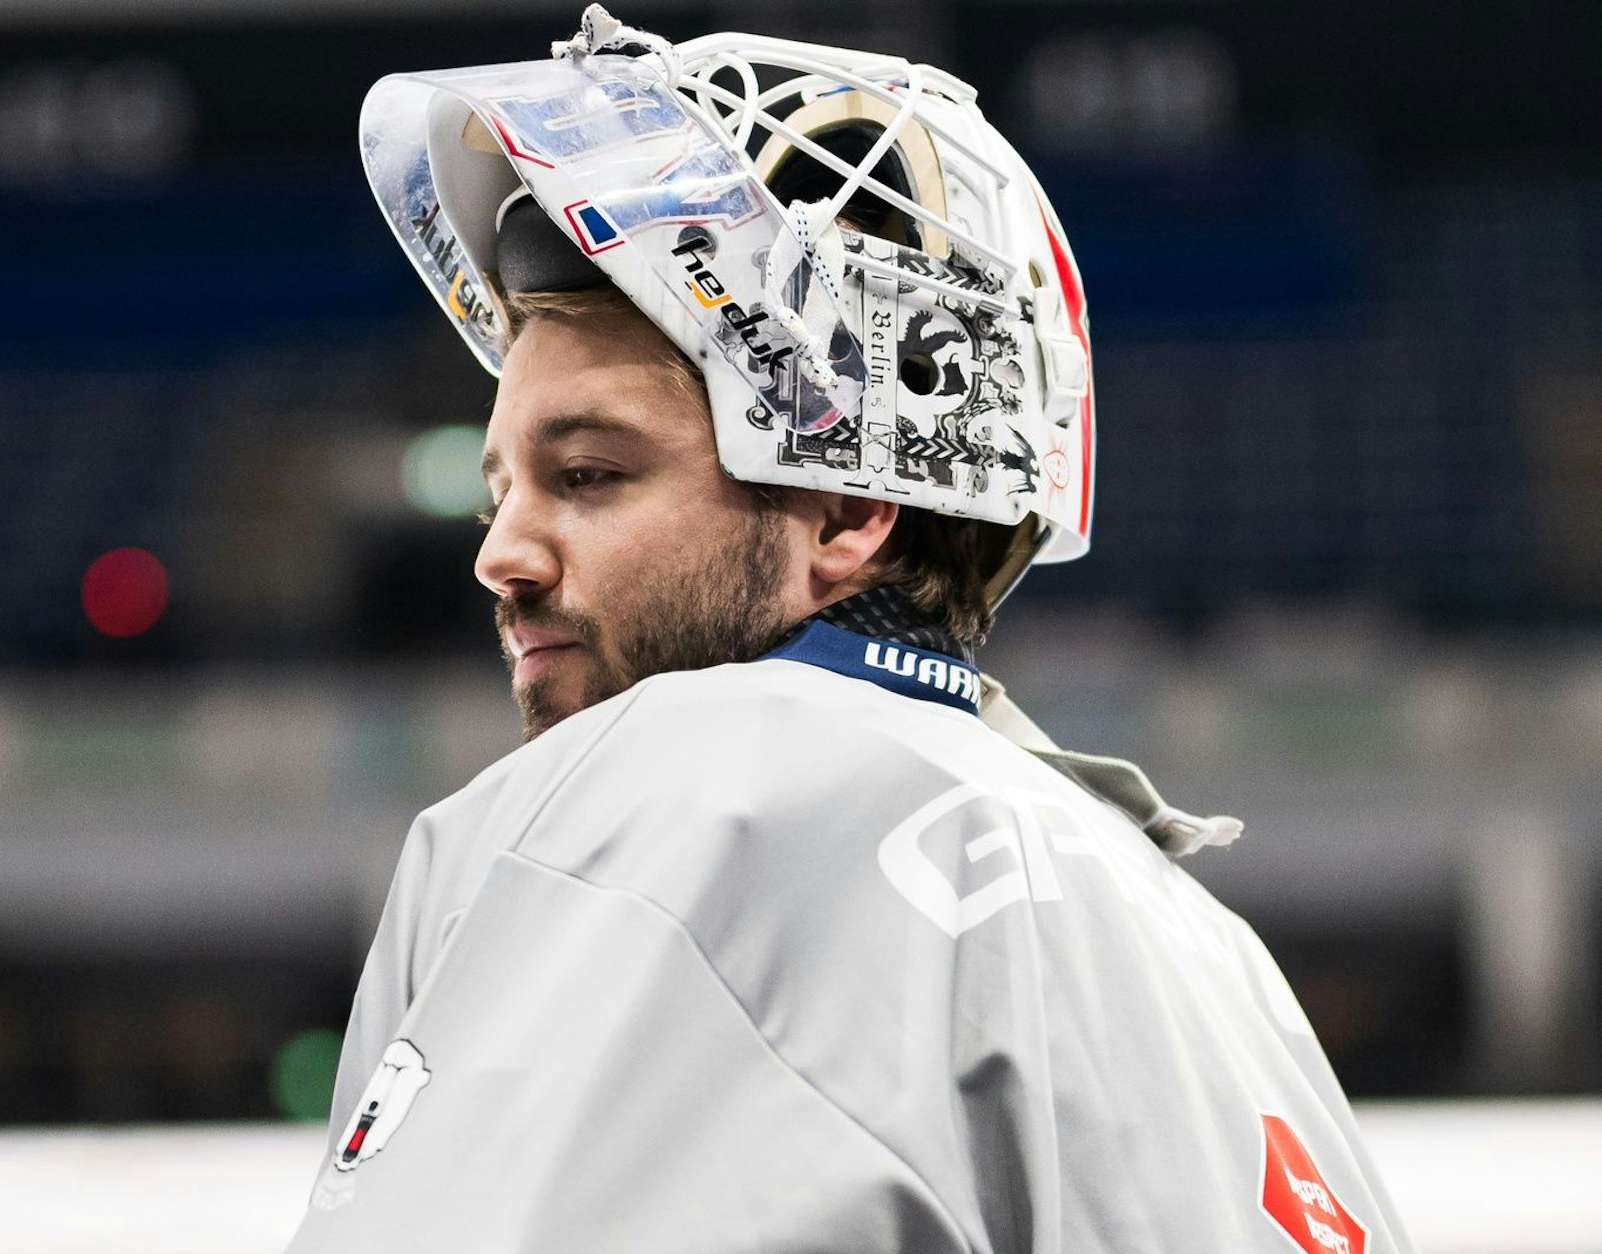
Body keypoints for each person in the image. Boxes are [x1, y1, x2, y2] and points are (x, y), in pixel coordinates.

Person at [288, 8, 1412, 1251]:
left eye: (590, 475)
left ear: (845, 509)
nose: (500, 554)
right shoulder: (1195, 936)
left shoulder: (634, 796)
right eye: (502, 490)